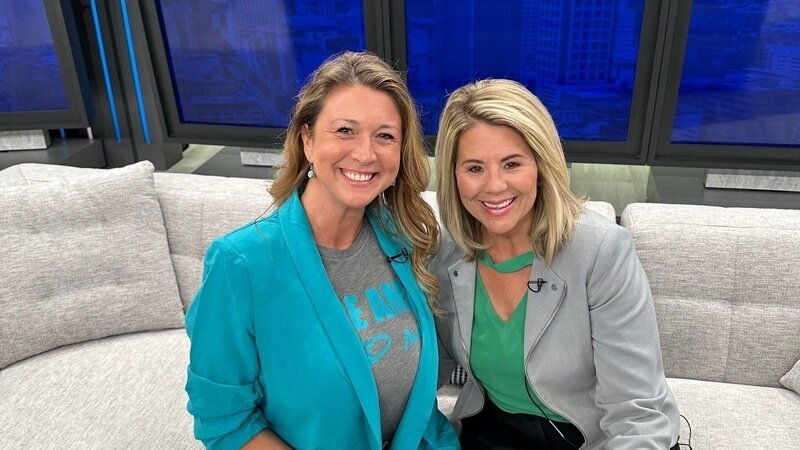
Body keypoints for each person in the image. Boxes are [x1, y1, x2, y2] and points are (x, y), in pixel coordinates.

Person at [185, 51, 459, 450]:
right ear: (308, 140)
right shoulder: (239, 264)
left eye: (385, 136)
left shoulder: (406, 235)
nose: (365, 153)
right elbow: (225, 421)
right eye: (345, 130)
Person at [431, 79, 680, 449]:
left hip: (591, 437)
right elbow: (426, 370)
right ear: (454, 175)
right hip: (495, 426)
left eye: (512, 163)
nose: (495, 185)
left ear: (541, 164)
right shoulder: (445, 251)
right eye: (474, 168)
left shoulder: (601, 251)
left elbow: (638, 414)